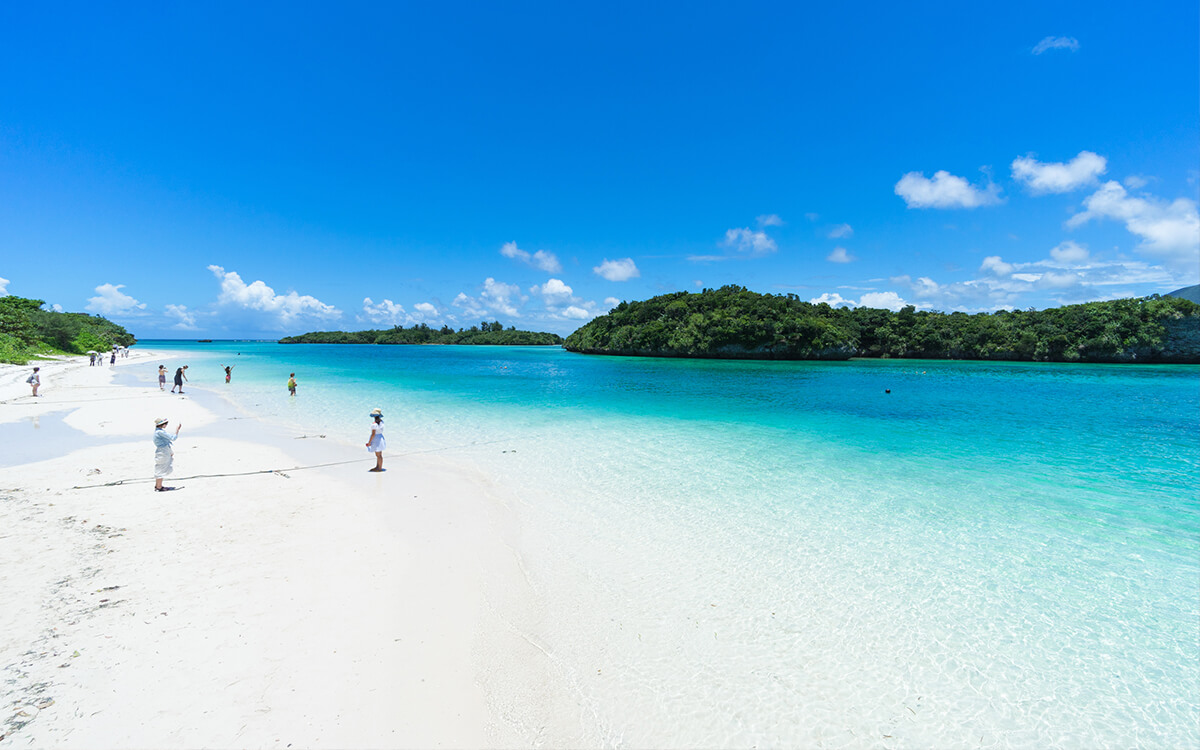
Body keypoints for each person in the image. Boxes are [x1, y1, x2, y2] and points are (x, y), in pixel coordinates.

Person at [153, 417, 181, 491]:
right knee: (161, 468)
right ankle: (159, 487)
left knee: (160, 467)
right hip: (163, 451)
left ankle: (158, 486)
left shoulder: (157, 431)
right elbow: (173, 438)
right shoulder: (160, 432)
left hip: (162, 450)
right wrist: (177, 430)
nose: (166, 425)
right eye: (165, 423)